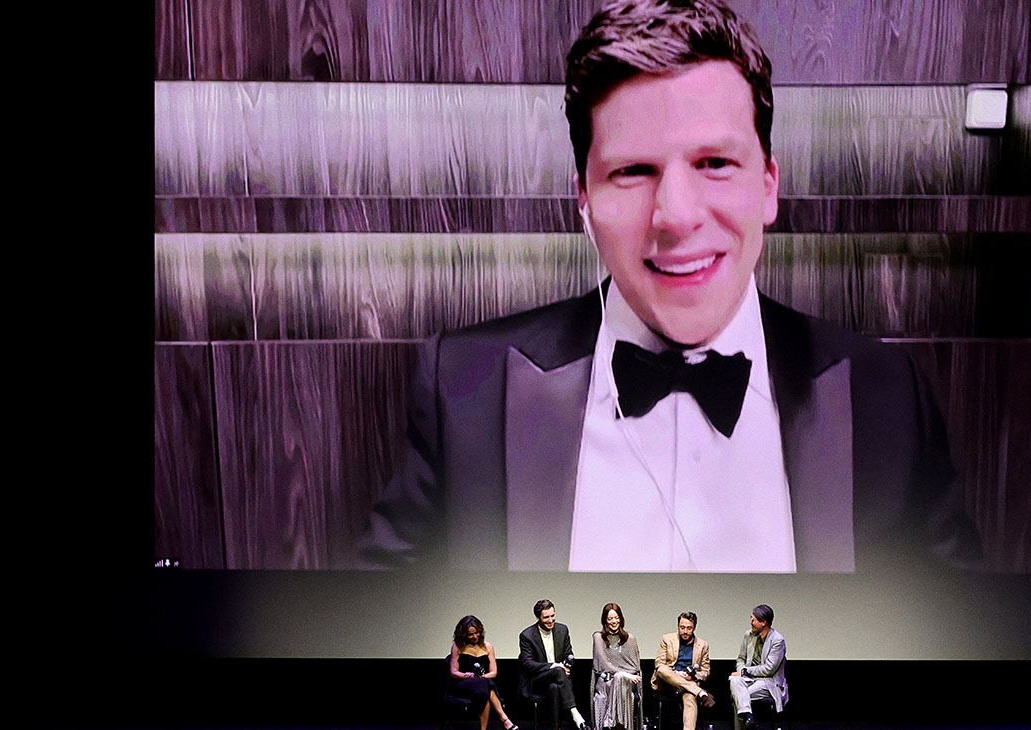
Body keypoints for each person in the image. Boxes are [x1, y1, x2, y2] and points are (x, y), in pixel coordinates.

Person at [359, 0, 982, 573]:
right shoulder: (464, 387)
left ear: (767, 185)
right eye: (633, 171)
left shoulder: (890, 398)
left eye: (714, 163)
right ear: (584, 198)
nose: (677, 216)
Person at [518, 599, 591, 730]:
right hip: (536, 681)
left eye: (553, 616)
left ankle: (556, 728)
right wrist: (556, 666)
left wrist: (566, 666)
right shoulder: (527, 636)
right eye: (546, 617)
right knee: (558, 671)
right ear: (537, 617)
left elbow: (569, 654)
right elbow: (529, 664)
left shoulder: (562, 630)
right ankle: (575, 714)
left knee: (554, 688)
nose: (551, 620)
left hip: (558, 680)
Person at [450, 615, 518, 730]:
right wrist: (467, 675)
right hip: (463, 684)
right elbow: (453, 672)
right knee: (485, 685)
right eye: (470, 634)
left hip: (482, 684)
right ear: (463, 634)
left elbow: (493, 672)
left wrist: (480, 677)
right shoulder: (458, 646)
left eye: (476, 633)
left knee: (484, 687)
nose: (474, 636)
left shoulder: (488, 647)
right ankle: (504, 719)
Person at [651, 611, 713, 730]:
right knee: (662, 669)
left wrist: (693, 677)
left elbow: (705, 671)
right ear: (678, 626)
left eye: (689, 628)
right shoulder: (667, 639)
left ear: (694, 627)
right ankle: (700, 692)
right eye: (682, 627)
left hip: (688, 683)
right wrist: (675, 674)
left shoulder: (703, 645)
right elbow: (659, 663)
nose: (685, 631)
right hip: (667, 682)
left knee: (690, 699)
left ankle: (695, 691)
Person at [729, 605, 786, 730]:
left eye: (753, 619)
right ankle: (748, 717)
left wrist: (744, 671)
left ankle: (745, 721)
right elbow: (741, 658)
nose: (751, 622)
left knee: (740, 696)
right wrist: (741, 671)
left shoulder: (777, 640)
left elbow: (768, 669)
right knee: (734, 680)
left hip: (769, 681)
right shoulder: (748, 635)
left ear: (763, 622)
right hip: (749, 678)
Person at [590, 603, 642, 730]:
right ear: (605, 621)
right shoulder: (598, 637)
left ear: (621, 618)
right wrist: (623, 674)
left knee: (620, 680)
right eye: (610, 619)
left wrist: (623, 676)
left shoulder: (630, 639)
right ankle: (618, 725)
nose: (614, 621)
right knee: (617, 679)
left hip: (626, 683)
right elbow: (603, 665)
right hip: (606, 681)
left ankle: (610, 721)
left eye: (616, 617)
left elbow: (635, 668)